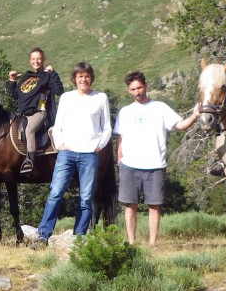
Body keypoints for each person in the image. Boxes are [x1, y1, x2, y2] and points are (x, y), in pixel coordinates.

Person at [113, 71, 198, 246]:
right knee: (130, 205)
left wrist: (196, 114)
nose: (137, 92)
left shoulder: (160, 107)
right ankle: (131, 242)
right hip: (129, 165)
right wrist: (119, 158)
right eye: (133, 89)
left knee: (154, 206)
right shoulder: (125, 111)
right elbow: (119, 137)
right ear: (129, 91)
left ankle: (152, 243)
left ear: (146, 86)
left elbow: (180, 125)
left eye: (140, 87)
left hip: (155, 165)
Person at [35, 62, 111, 246]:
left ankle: (79, 237)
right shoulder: (67, 98)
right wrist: (60, 144)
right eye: (80, 76)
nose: (83, 79)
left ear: (91, 78)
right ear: (74, 79)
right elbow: (58, 124)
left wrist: (99, 146)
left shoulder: (100, 98)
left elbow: (107, 127)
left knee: (85, 197)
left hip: (89, 154)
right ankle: (43, 235)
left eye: (86, 76)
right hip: (67, 153)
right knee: (55, 192)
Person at [7, 47, 64, 175]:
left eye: (39, 58)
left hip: (39, 112)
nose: (36, 61)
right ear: (29, 61)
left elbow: (59, 91)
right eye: (33, 59)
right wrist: (12, 81)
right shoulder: (26, 77)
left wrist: (54, 74)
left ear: (43, 59)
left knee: (29, 130)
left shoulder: (47, 76)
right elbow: (15, 96)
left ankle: (30, 160)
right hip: (23, 114)